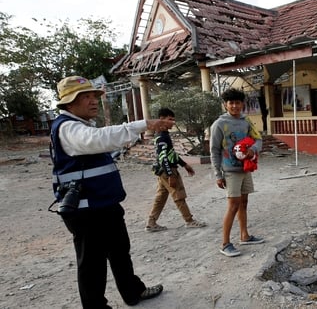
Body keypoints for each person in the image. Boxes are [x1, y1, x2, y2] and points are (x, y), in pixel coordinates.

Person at [50, 75, 171, 308]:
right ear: (68, 103)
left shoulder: (81, 125)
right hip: (85, 211)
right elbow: (99, 140)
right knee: (92, 264)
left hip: (104, 205)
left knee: (120, 253)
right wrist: (143, 124)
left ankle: (133, 292)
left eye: (94, 96)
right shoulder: (68, 128)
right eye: (84, 97)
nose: (93, 101)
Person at [210, 88, 265, 257]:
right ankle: (225, 244)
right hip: (230, 171)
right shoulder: (219, 124)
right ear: (225, 105)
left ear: (242, 104)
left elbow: (258, 139)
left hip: (245, 168)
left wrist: (253, 150)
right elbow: (214, 150)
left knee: (244, 202)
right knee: (233, 205)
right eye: (231, 103)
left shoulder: (246, 121)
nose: (234, 106)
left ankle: (244, 235)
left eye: (238, 102)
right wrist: (218, 175)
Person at [145, 107, 206, 232]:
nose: (173, 122)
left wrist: (184, 164)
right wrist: (170, 174)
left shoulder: (164, 135)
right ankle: (189, 220)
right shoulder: (162, 137)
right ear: (161, 119)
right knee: (179, 195)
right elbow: (163, 157)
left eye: (173, 119)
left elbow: (171, 153)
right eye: (170, 119)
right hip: (167, 170)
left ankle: (151, 222)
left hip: (163, 171)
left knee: (161, 197)